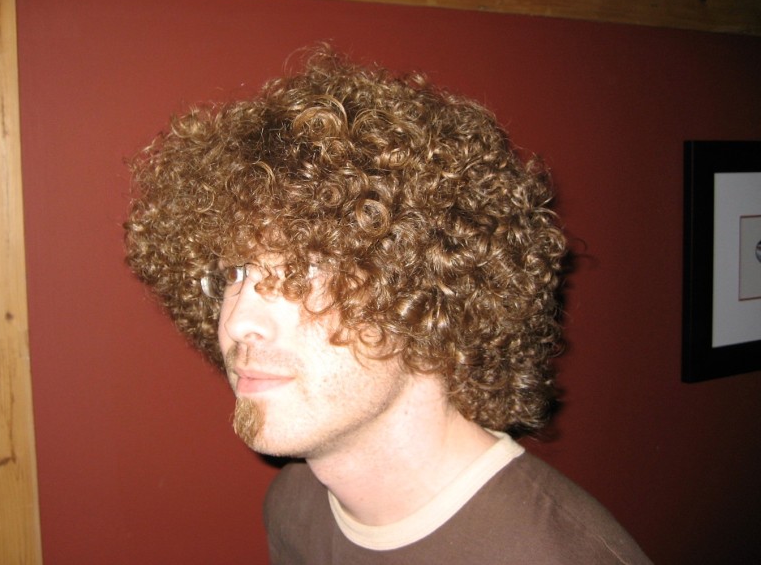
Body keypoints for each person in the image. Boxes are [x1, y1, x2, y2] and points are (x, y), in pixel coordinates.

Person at [124, 46, 651, 563]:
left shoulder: (557, 554)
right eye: (235, 272)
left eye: (310, 267)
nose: (239, 322)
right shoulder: (295, 506)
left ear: (427, 292)